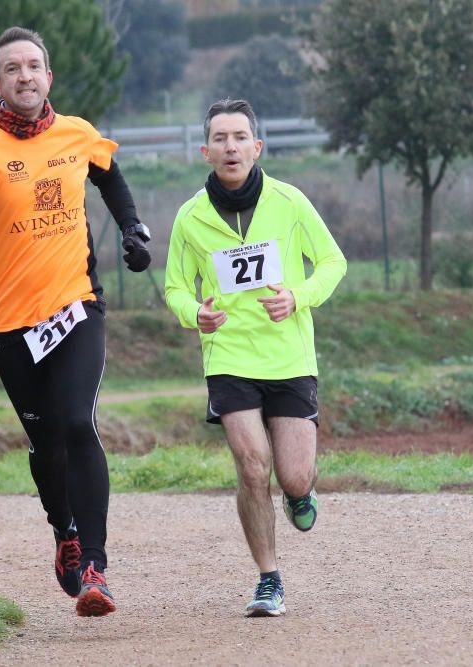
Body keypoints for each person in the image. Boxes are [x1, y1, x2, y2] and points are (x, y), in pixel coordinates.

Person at [0, 26, 151, 618]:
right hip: (11, 323)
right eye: (13, 69)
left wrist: (132, 229)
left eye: (34, 66)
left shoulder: (76, 133)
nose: (25, 76)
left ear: (49, 76)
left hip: (75, 305)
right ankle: (63, 530)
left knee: (78, 423)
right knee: (45, 441)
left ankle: (96, 567)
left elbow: (108, 174)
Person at [164, 99, 347, 617]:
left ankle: (298, 493)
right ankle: (269, 578)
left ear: (256, 147)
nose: (231, 147)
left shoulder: (289, 202)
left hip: (289, 356)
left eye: (240, 137)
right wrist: (192, 314)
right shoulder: (190, 218)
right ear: (205, 151)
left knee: (291, 476)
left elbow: (333, 261)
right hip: (229, 357)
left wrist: (298, 296)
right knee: (250, 467)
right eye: (220, 138)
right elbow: (176, 287)